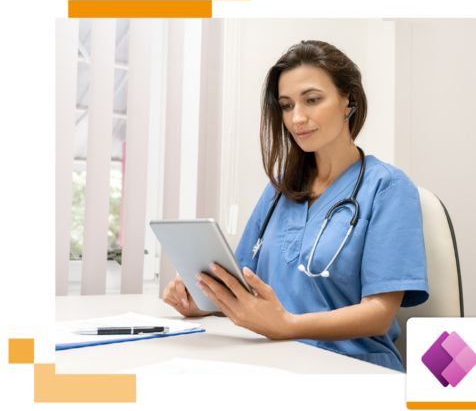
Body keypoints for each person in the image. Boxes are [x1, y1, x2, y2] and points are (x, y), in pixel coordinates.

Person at [162, 40, 428, 373]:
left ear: (350, 102)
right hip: (276, 358)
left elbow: (379, 314)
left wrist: (288, 325)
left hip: (352, 363)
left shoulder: (387, 187)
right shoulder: (279, 190)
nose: (297, 118)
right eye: (286, 106)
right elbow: (247, 291)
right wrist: (203, 303)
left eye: (312, 100)